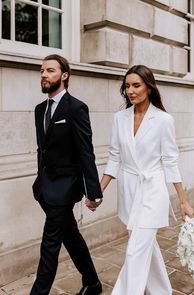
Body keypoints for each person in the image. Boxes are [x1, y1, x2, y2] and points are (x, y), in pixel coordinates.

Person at [94, 65, 194, 295]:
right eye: (127, 86)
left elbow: (170, 161)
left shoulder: (163, 120)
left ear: (149, 87)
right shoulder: (120, 118)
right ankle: (162, 292)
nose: (130, 91)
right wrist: (99, 191)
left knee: (135, 251)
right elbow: (114, 158)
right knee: (147, 247)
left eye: (136, 85)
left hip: (152, 191)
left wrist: (182, 200)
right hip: (128, 191)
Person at [31, 54, 103, 295]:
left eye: (50, 70)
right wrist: (39, 182)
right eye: (42, 70)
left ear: (64, 76)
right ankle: (93, 283)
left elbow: (86, 152)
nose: (44, 74)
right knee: (70, 236)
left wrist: (94, 191)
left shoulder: (76, 108)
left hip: (64, 189)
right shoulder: (40, 109)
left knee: (49, 247)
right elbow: (44, 150)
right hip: (45, 189)